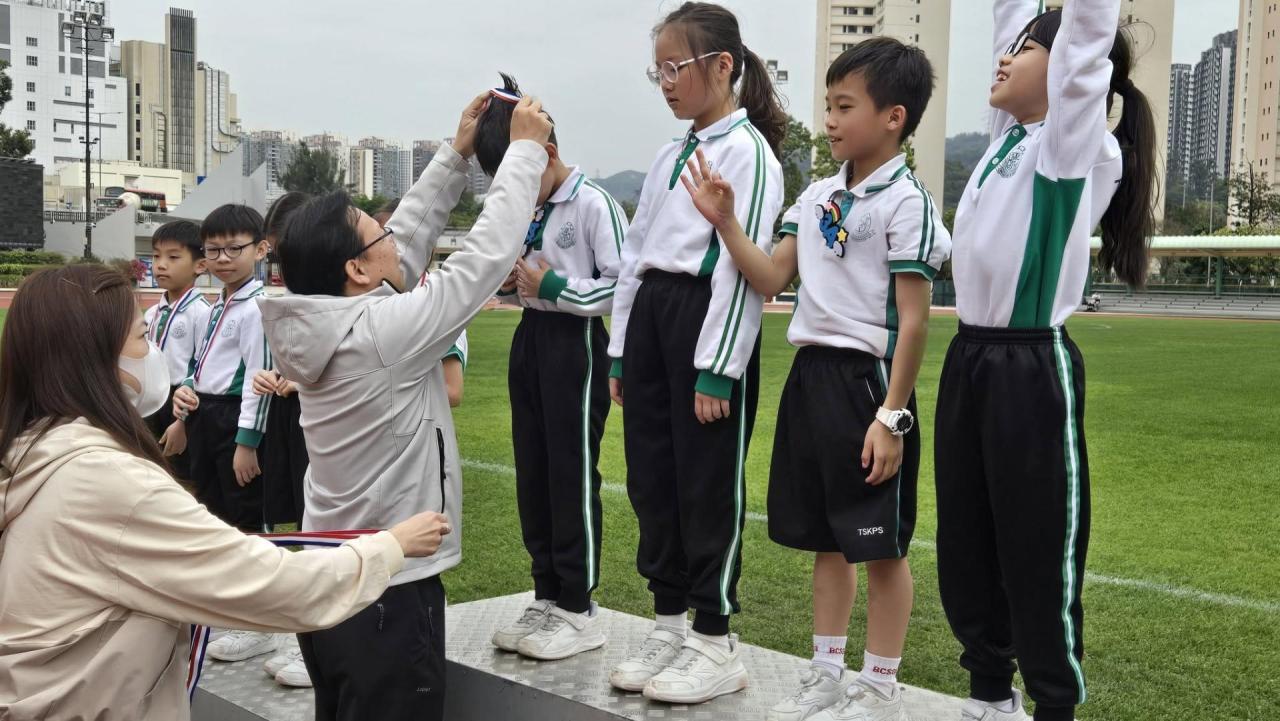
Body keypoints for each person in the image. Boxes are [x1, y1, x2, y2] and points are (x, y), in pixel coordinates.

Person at [0, 264, 452, 721]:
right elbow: (269, 584)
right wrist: (390, 547)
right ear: (94, 358)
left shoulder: (31, 449)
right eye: (141, 337)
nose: (154, 352)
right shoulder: (106, 483)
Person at [257, 93, 553, 721]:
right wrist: (524, 152)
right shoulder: (379, 336)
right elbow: (480, 263)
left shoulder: (321, 321)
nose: (394, 236)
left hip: (331, 579)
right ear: (356, 270)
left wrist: (455, 156)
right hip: (388, 589)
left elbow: (403, 250)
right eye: (378, 234)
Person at [681, 36, 950, 721]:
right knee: (828, 542)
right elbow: (772, 276)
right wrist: (728, 224)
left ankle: (880, 685)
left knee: (880, 546)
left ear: (893, 117)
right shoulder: (819, 194)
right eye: (827, 105)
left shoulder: (908, 202)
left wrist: (891, 417)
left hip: (870, 386)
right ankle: (826, 674)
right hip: (811, 379)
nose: (828, 120)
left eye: (844, 106)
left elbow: (914, 323)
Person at [936, 2, 1154, 720]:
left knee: (1036, 552)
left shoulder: (1071, 144)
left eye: (1027, 49)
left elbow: (1085, 41)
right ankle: (989, 698)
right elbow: (1010, 17)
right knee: (967, 545)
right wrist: (1023, 31)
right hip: (969, 359)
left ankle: (1052, 705)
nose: (1006, 56)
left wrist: (1074, 39)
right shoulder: (1008, 137)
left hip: (1029, 368)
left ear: (1066, 72)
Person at [605, 1, 784, 704]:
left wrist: (719, 367)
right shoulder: (669, 154)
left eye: (676, 67)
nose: (667, 83)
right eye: (658, 71)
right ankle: (670, 623)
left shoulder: (750, 153)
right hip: (653, 316)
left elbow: (742, 267)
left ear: (722, 66)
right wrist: (622, 350)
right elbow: (634, 256)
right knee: (653, 479)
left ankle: (714, 638)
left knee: (706, 483)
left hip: (703, 320)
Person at [474, 73, 627, 662]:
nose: (514, 189)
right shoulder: (527, 205)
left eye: (521, 172)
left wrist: (555, 287)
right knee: (532, 472)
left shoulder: (593, 204)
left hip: (576, 345)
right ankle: (545, 594)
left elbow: (621, 288)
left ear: (550, 152)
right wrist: (513, 288)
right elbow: (519, 278)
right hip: (531, 340)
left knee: (570, 473)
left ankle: (578, 607)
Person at [171, 204, 280, 664]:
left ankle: (261, 624)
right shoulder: (220, 304)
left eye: (234, 249)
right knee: (214, 517)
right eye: (213, 250)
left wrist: (246, 443)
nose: (222, 259)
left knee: (247, 521)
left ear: (261, 249)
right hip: (207, 416)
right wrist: (185, 399)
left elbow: (258, 375)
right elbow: (204, 365)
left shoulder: (257, 307)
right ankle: (230, 611)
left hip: (235, 420)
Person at [143, 219, 212, 481]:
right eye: (156, 256)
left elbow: (202, 367)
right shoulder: (152, 313)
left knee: (182, 473)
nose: (161, 264)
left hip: (183, 400)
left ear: (200, 266)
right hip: (153, 397)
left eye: (173, 257)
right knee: (153, 468)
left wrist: (182, 420)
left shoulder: (202, 313)